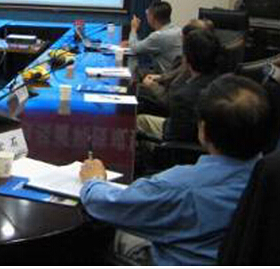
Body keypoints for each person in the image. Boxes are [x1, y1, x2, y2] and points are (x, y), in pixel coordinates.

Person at [79, 74, 270, 265]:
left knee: (100, 235)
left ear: (203, 129)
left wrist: (93, 181)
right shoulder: (272, 177)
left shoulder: (181, 187)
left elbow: (106, 205)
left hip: (174, 259)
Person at [137, 28, 222, 143]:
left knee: (140, 120)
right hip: (207, 138)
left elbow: (172, 137)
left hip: (180, 140)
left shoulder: (183, 96)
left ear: (186, 58)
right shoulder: (222, 81)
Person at [136, 18, 214, 118]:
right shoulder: (203, 61)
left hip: (168, 109)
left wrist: (153, 86)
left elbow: (171, 100)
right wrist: (159, 78)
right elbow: (172, 76)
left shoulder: (193, 65)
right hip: (165, 94)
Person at [122, 1, 182, 73]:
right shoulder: (178, 30)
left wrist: (134, 29)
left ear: (152, 17)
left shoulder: (159, 36)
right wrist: (133, 42)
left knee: (134, 72)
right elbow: (145, 44)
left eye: (147, 13)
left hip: (167, 75)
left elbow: (134, 48)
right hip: (177, 74)